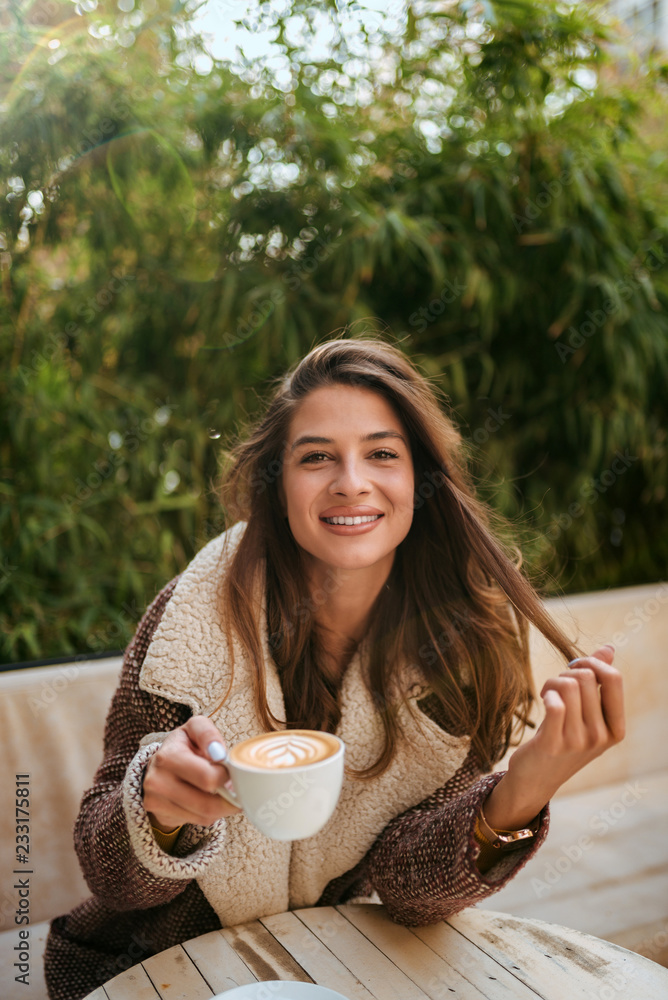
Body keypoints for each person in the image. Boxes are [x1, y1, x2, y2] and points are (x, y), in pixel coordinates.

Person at [44, 335, 625, 1000]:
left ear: (421, 480)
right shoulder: (192, 616)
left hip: (326, 967)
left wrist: (520, 792)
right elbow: (110, 875)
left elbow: (407, 887)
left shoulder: (462, 649)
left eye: (382, 453)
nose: (351, 481)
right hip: (151, 973)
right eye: (316, 457)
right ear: (278, 484)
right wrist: (160, 813)